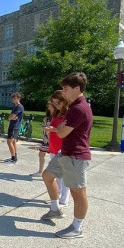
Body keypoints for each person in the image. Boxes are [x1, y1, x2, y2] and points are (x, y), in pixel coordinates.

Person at [40, 73, 93, 239]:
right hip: (66, 154)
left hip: (76, 156)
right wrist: (58, 129)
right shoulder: (73, 105)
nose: (63, 92)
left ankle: (77, 228)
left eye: (66, 88)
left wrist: (58, 129)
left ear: (77, 88)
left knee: (78, 193)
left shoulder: (79, 108)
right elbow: (63, 129)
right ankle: (55, 209)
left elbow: (63, 133)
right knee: (47, 176)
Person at [46, 90, 71, 206]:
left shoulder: (69, 114)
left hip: (63, 147)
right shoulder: (57, 113)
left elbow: (65, 131)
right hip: (54, 146)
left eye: (57, 103)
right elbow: (56, 126)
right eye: (53, 103)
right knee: (57, 175)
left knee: (66, 175)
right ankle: (58, 194)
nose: (55, 105)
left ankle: (64, 199)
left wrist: (53, 129)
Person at [31, 103, 52, 177]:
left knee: (54, 159)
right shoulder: (48, 117)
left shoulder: (56, 117)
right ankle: (40, 172)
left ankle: (52, 175)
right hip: (46, 139)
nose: (49, 107)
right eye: (48, 105)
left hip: (52, 140)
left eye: (50, 105)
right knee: (41, 154)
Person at [5, 93, 24, 163]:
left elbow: (12, 116)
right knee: (13, 142)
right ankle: (14, 157)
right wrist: (11, 117)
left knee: (9, 142)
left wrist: (10, 117)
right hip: (13, 126)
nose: (13, 99)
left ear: (19, 99)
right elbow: (11, 116)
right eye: (13, 98)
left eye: (15, 98)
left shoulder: (19, 107)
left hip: (15, 127)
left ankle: (13, 158)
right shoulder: (15, 106)